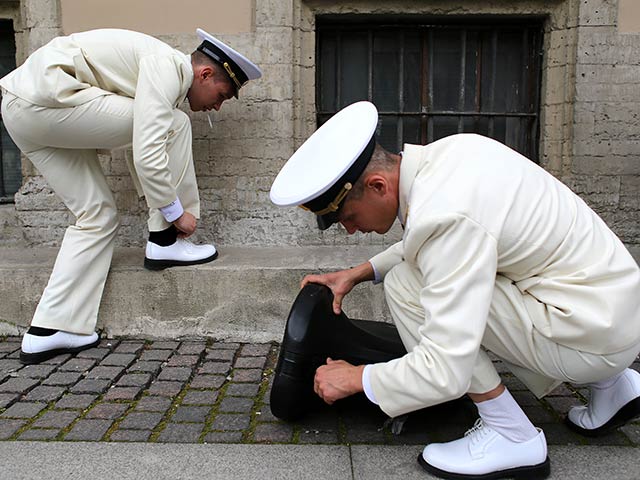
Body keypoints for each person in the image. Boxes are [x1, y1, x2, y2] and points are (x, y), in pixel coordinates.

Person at [269, 101, 640, 480]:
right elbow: (439, 240)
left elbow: (446, 368)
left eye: (347, 217)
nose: (350, 229)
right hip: (612, 313)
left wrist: (357, 378)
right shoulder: (452, 154)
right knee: (422, 270)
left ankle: (511, 435)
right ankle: (615, 386)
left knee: (405, 286)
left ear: (378, 186)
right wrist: (360, 272)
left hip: (591, 339)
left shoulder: (443, 216)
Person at [0, 28, 261, 364]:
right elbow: (147, 150)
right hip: (48, 101)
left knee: (97, 216)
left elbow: (135, 141)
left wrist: (156, 197)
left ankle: (50, 329)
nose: (218, 107)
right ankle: (166, 241)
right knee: (174, 124)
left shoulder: (155, 72)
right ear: (205, 73)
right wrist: (175, 213)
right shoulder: (169, 66)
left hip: (23, 112)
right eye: (222, 95)